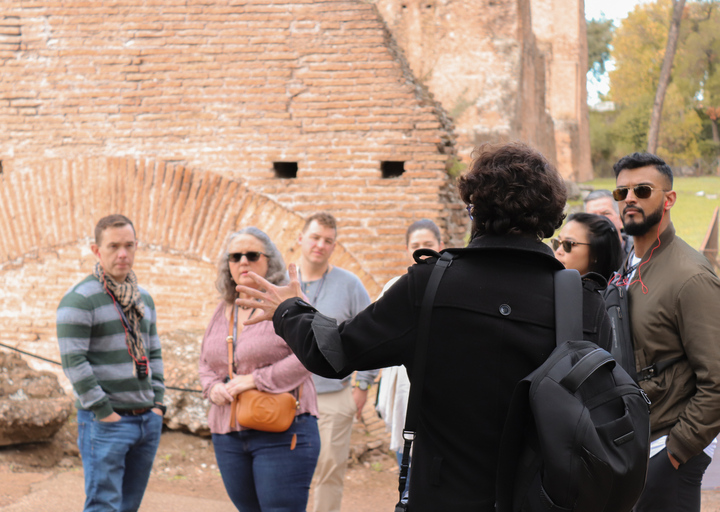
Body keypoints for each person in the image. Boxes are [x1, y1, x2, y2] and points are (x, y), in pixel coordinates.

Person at [236, 142, 612, 511]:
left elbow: (333, 352)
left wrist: (288, 309)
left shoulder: (429, 286)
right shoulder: (586, 303)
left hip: (444, 494)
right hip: (550, 499)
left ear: (474, 211)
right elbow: (609, 415)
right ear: (551, 219)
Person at [611, 152, 720, 512]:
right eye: (621, 192)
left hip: (666, 451)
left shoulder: (691, 278)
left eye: (642, 190)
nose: (630, 199)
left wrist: (675, 452)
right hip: (635, 445)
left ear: (669, 199)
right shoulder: (631, 265)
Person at [198, 226, 320, 512]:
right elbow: (205, 361)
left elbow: (310, 356)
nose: (243, 262)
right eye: (235, 256)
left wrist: (255, 380)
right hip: (228, 431)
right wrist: (212, 387)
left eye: (252, 255)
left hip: (283, 427)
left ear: (269, 261)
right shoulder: (222, 310)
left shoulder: (290, 304)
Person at [56, 214, 165, 512]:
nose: (123, 254)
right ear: (96, 250)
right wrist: (105, 413)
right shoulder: (79, 300)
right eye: (114, 246)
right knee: (104, 505)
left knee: (129, 506)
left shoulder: (143, 299)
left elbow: (154, 352)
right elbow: (73, 362)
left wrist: (157, 406)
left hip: (146, 419)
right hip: (106, 422)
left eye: (129, 245)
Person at [295, 212, 378, 512]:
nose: (320, 245)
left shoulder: (350, 284)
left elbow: (372, 334)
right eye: (315, 237)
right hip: (284, 396)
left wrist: (364, 384)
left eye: (328, 240)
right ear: (300, 238)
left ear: (334, 245)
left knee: (329, 472)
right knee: (286, 472)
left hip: (332, 395)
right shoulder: (282, 282)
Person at [376, 219, 445, 492]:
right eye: (416, 246)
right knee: (406, 478)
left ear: (440, 246)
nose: (422, 250)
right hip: (403, 389)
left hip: (434, 389)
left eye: (427, 245)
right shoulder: (395, 286)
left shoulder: (449, 284)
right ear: (407, 249)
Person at [552, 212, 621, 280]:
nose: (558, 251)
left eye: (568, 244)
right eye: (557, 243)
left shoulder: (615, 289)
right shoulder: (551, 285)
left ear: (595, 253)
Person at [584, 188, 634, 260]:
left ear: (621, 220)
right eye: (592, 216)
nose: (599, 219)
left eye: (606, 214)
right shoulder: (581, 258)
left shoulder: (638, 255)